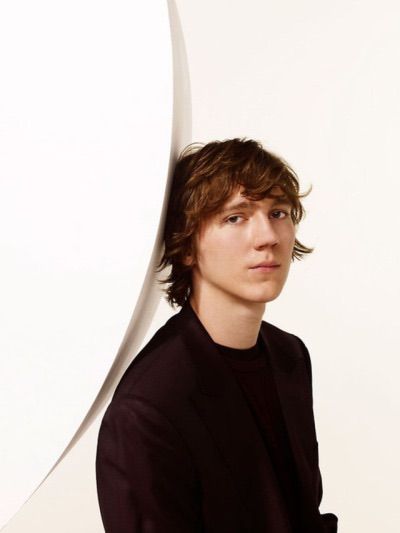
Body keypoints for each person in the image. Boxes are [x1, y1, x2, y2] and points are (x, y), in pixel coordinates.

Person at [96, 138, 338, 532]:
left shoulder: (289, 356)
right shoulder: (148, 408)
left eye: (277, 212)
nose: (267, 237)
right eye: (235, 218)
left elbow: (304, 515)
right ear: (187, 245)